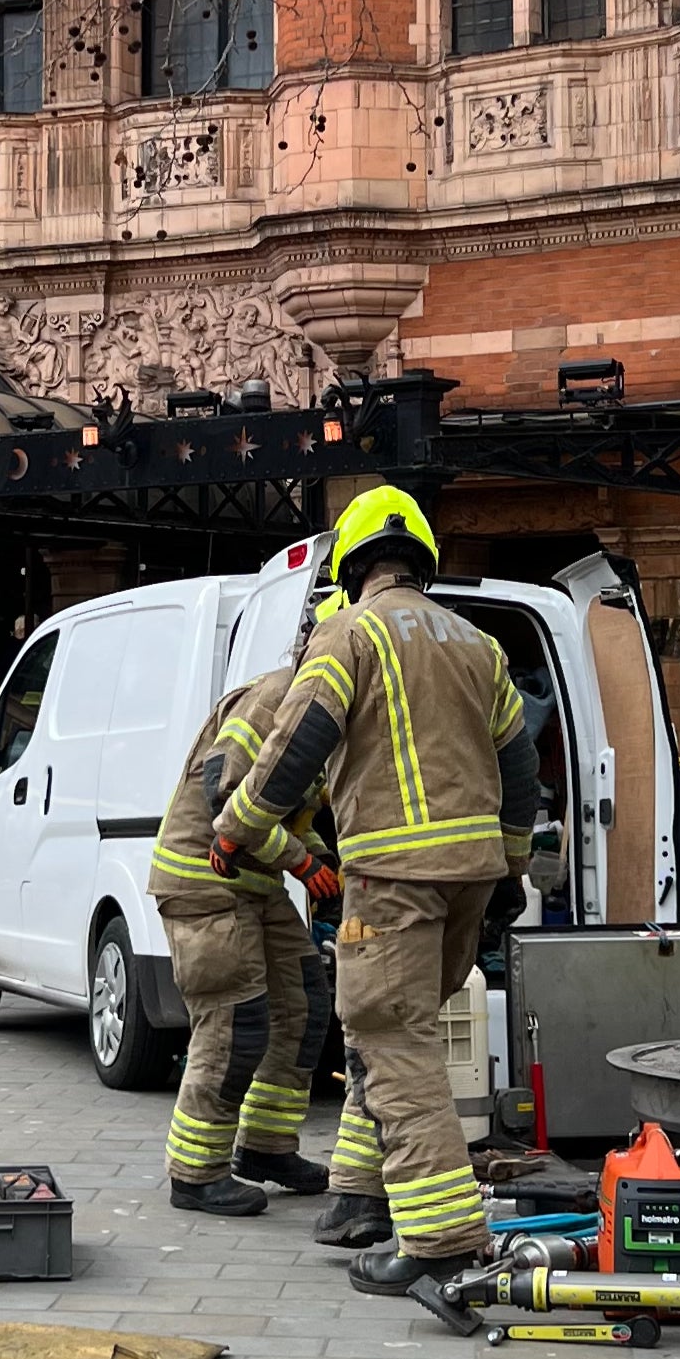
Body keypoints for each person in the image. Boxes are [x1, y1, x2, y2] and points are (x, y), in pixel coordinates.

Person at [210, 488, 543, 1299]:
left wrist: (238, 824)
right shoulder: (477, 642)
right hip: (470, 875)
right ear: (420, 561)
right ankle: (358, 1198)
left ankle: (439, 1240)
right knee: (397, 1035)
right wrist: (511, 864)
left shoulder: (348, 632)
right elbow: (522, 765)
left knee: (393, 1042)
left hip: (394, 877)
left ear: (351, 567)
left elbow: (301, 743)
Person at [150, 590, 346, 1218]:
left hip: (253, 885)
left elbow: (290, 806)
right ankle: (195, 1173)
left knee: (306, 1004)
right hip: (204, 886)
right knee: (236, 1027)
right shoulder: (275, 697)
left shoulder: (324, 705)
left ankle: (264, 1148)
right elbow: (228, 793)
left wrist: (319, 854)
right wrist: (305, 863)